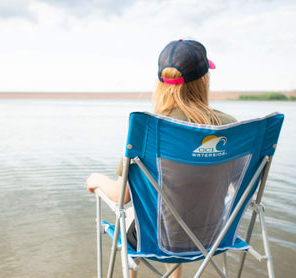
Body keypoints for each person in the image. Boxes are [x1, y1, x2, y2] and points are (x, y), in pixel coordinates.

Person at [86, 39, 236, 278]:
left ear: (161, 84)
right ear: (204, 80)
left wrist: (96, 180)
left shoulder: (150, 130)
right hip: (216, 236)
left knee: (139, 216)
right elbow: (240, 189)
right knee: (178, 207)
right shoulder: (229, 127)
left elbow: (121, 196)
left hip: (159, 239)